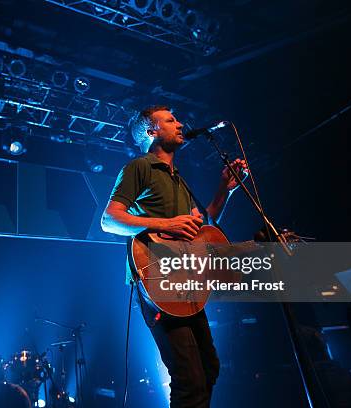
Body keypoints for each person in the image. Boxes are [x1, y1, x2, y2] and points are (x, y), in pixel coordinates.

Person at [101, 105, 247, 408]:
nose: (180, 124)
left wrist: (225, 189)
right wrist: (167, 223)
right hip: (157, 282)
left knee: (209, 368)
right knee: (189, 379)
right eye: (171, 120)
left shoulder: (178, 178)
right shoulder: (139, 167)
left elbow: (201, 224)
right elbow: (109, 219)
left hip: (184, 281)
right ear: (152, 131)